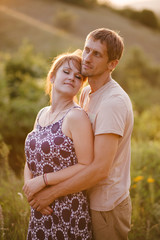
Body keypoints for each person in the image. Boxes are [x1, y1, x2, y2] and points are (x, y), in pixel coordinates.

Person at [27, 28, 134, 240]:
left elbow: (100, 169)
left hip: (106, 204)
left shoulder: (113, 102)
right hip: (81, 196)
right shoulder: (87, 92)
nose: (87, 58)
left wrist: (49, 191)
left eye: (97, 54)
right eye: (87, 50)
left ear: (112, 64)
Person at [23, 51, 94, 240]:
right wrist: (30, 190)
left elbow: (85, 164)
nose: (72, 77)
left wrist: (43, 180)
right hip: (40, 207)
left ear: (81, 85)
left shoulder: (76, 117)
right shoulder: (41, 114)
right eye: (66, 72)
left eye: (78, 76)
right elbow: (31, 156)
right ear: (52, 76)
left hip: (67, 208)